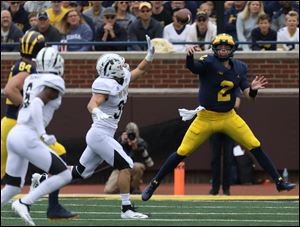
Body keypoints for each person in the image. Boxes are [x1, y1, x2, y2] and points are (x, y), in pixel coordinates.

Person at [141, 33, 296, 201]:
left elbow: (249, 96)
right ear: (215, 49)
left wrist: (253, 88)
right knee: (182, 151)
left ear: (232, 49)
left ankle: (279, 182)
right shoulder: (208, 62)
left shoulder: (240, 67)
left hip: (229, 116)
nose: (223, 51)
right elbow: (193, 68)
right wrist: (189, 56)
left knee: (254, 145)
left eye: (226, 48)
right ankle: (153, 184)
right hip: (206, 117)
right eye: (220, 48)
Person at [71, 35, 155, 219]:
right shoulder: (105, 84)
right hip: (99, 134)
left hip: (103, 134)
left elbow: (140, 70)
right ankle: (126, 209)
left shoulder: (120, 78)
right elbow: (92, 103)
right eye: (119, 65)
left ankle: (43, 179)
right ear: (110, 70)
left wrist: (149, 56)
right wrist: (96, 111)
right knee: (126, 165)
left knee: (80, 172)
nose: (123, 67)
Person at [1, 31, 76, 220]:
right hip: (28, 135)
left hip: (15, 133)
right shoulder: (54, 80)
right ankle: (25, 202)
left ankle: (23, 200)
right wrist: (42, 134)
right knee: (65, 175)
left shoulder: (31, 79)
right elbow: (36, 103)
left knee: (11, 187)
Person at [104, 122, 154, 194]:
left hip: (132, 168)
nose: (131, 137)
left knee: (139, 167)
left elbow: (150, 164)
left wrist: (136, 148)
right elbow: (113, 155)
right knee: (108, 190)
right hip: (120, 169)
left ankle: (134, 187)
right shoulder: (121, 141)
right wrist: (120, 142)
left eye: (133, 134)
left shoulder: (141, 143)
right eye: (130, 134)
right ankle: (124, 185)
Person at [209, 95, 241, 196]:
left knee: (228, 158)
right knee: (215, 158)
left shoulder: (232, 83)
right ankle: (214, 188)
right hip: (214, 124)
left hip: (228, 124)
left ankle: (226, 188)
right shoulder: (213, 84)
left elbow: (237, 103)